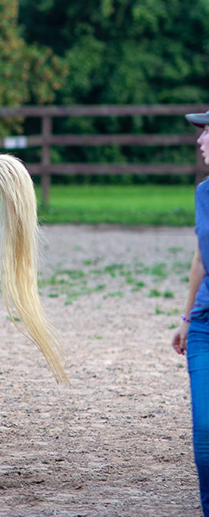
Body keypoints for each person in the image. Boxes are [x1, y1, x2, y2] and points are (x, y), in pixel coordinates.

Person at [173, 108, 209, 516]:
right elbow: (201, 257)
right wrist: (186, 319)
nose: (199, 140)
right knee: (204, 436)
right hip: (204, 325)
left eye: (206, 132)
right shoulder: (204, 193)